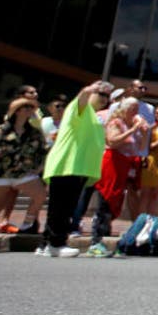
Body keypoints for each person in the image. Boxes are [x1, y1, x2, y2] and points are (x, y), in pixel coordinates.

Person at [39, 82, 111, 258]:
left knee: (62, 206)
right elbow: (81, 99)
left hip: (78, 166)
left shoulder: (93, 115)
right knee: (62, 207)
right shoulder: (79, 109)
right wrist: (88, 90)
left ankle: (45, 244)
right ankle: (56, 243)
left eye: (106, 96)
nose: (104, 99)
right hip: (67, 164)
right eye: (100, 94)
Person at [0, 97, 47, 250]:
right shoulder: (0, 130)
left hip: (23, 173)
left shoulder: (34, 133)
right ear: (17, 110)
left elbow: (42, 151)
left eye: (31, 108)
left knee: (40, 195)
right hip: (1, 173)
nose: (29, 110)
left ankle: (28, 222)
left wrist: (39, 167)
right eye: (26, 107)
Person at [87, 97, 147, 257]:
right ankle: (95, 241)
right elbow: (112, 141)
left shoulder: (132, 124)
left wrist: (143, 133)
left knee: (114, 203)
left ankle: (100, 239)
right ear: (124, 108)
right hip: (112, 164)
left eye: (137, 108)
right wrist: (133, 129)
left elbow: (139, 148)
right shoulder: (116, 123)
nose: (136, 111)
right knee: (105, 202)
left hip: (125, 167)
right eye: (132, 108)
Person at [138, 104, 158, 217]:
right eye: (157, 112)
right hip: (151, 161)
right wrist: (156, 143)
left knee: (157, 194)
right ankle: (141, 221)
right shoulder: (151, 128)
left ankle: (152, 221)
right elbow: (143, 145)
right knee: (146, 193)